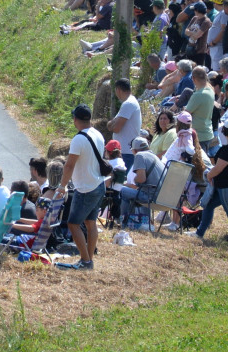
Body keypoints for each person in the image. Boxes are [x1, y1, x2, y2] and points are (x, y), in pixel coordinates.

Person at [57, 104, 108, 270]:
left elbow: (69, 165)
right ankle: (89, 259)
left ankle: (86, 261)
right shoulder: (98, 134)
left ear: (75, 119)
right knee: (90, 222)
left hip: (86, 188)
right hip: (99, 184)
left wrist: (62, 186)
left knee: (73, 224)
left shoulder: (79, 139)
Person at [194, 117, 228, 253]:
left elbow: (218, 169)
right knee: (209, 205)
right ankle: (199, 233)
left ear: (225, 132)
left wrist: (208, 176)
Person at [118, 138, 163, 229]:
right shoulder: (154, 156)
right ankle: (143, 221)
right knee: (138, 191)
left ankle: (124, 221)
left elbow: (141, 179)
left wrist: (134, 179)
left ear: (134, 150)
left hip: (151, 196)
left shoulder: (140, 155)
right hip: (162, 197)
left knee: (121, 190)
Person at [108, 79, 142, 168]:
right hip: (126, 151)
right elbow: (111, 125)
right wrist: (112, 123)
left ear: (118, 90)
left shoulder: (128, 104)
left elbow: (116, 128)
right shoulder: (129, 103)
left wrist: (112, 123)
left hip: (126, 151)